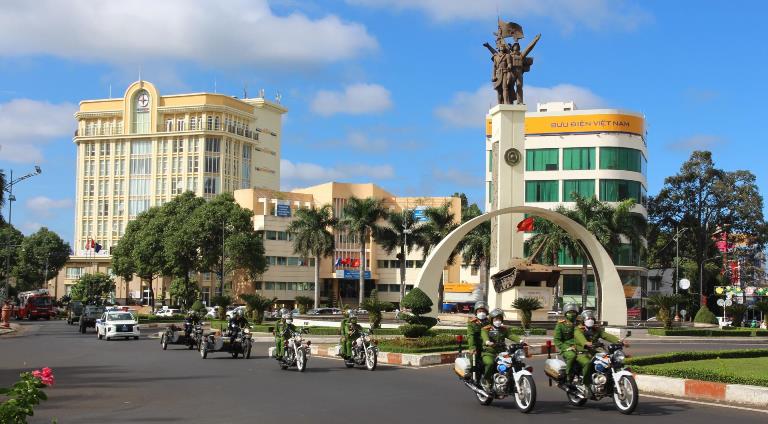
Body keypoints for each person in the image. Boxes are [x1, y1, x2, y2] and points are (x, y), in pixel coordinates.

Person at [574, 310, 624, 388]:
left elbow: (606, 335)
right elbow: (580, 337)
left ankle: (605, 379)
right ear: (583, 320)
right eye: (588, 318)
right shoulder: (578, 329)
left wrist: (619, 341)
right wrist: (585, 343)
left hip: (596, 351)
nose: (590, 320)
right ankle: (586, 384)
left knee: (609, 360)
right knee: (587, 363)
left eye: (591, 318)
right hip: (582, 352)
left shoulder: (596, 330)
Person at [480, 308, 521, 392]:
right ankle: (487, 380)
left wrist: (520, 340)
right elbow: (484, 336)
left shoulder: (504, 329)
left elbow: (511, 335)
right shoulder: (486, 329)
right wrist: (487, 341)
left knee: (512, 363)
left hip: (502, 352)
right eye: (496, 319)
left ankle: (508, 381)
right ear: (492, 320)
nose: (498, 321)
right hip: (489, 352)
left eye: (499, 319)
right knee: (490, 363)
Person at [553, 303, 581, 385]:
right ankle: (569, 376)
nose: (572, 314)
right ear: (565, 313)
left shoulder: (580, 323)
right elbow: (557, 340)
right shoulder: (561, 324)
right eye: (570, 312)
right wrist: (566, 348)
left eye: (574, 312)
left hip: (580, 347)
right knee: (572, 356)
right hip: (568, 347)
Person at [467, 301, 490, 383]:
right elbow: (470, 336)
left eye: (483, 311)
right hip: (477, 346)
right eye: (480, 311)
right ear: (476, 312)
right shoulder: (472, 322)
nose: (482, 313)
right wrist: (472, 348)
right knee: (474, 360)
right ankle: (474, 376)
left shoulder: (490, 322)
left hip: (487, 346)